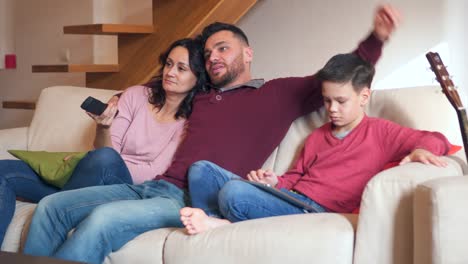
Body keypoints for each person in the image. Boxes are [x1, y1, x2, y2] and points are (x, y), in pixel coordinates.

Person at [23, 5, 401, 264]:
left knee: (101, 221)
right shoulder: (200, 96)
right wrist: (126, 97)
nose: (213, 56)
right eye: (208, 53)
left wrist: (377, 38)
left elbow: (342, 73)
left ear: (248, 53)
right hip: (151, 185)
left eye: (223, 48)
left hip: (191, 198)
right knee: (51, 208)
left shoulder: (276, 95)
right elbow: (160, 88)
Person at [179, 53, 450, 234]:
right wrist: (274, 181)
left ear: (364, 96)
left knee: (234, 192)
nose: (332, 109)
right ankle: (216, 221)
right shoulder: (318, 136)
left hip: (314, 209)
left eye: (340, 101)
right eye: (327, 100)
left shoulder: (381, 132)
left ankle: (219, 224)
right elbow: (294, 179)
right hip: (290, 197)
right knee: (201, 169)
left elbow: (436, 139)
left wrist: (421, 150)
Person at [0, 37, 206, 246]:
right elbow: (104, 150)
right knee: (3, 172)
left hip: (128, 189)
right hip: (90, 178)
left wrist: (106, 160)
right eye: (169, 64)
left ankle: (58, 205)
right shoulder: (136, 95)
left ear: (198, 77)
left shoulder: (192, 122)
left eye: (182, 69)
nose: (170, 72)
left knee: (104, 158)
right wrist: (104, 127)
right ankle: (60, 203)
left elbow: (154, 172)